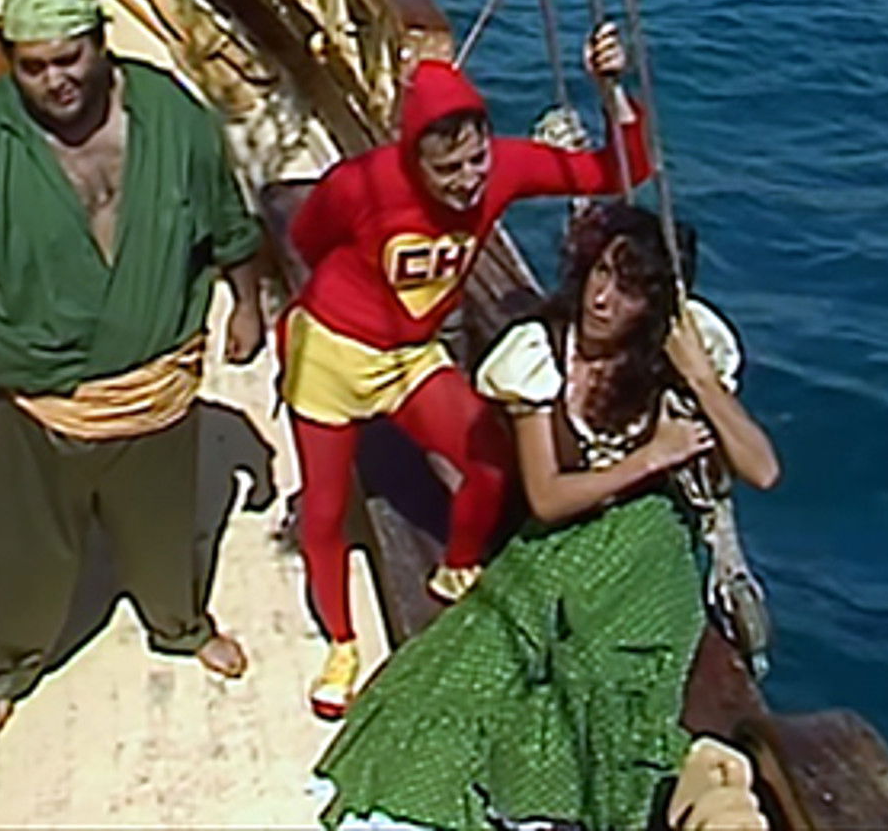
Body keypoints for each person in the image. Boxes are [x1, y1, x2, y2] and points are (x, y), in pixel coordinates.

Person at [0, 0, 264, 731]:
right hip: (36, 401)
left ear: (101, 44)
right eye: (34, 65)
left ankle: (180, 626)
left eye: (70, 57)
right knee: (24, 555)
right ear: (10, 62)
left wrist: (246, 305)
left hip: (157, 389)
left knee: (164, 534)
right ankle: (12, 661)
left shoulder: (173, 116)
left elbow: (227, 222)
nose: (56, 80)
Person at [313, 202, 780, 831]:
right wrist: (651, 457)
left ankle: (610, 798)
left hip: (648, 549)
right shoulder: (542, 355)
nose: (603, 299)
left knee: (609, 675)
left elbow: (762, 469)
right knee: (477, 662)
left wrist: (700, 378)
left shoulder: (677, 362)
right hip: (561, 539)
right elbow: (548, 498)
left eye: (629, 290)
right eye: (602, 273)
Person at [282, 22, 652, 719]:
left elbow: (619, 171)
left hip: (412, 356)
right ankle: (341, 643)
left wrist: (611, 90)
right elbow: (308, 237)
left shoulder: (504, 169)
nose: (467, 182)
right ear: (412, 159)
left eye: (476, 160)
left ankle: (458, 566)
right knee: (326, 508)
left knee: (490, 460)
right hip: (331, 354)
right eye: (446, 170)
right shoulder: (361, 184)